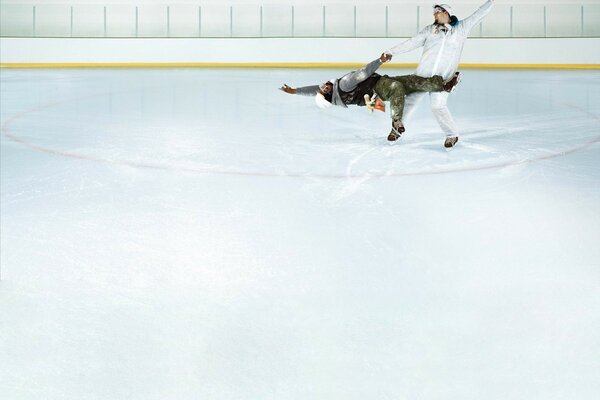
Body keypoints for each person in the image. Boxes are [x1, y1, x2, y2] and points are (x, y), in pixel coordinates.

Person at [384, 1, 495, 148]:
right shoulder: (429, 30)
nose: (434, 14)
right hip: (422, 76)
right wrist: (391, 51)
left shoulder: (461, 28)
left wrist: (492, 1)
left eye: (437, 11)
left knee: (438, 106)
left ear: (446, 13)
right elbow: (411, 42)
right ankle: (397, 129)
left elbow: (478, 14)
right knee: (409, 101)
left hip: (443, 79)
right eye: (434, 12)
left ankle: (452, 135)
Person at [280, 53, 461, 141]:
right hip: (377, 87)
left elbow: (315, 91)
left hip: (374, 98)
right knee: (397, 87)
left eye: (322, 87)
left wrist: (295, 91)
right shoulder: (342, 84)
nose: (324, 86)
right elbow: (364, 73)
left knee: (411, 82)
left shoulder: (335, 97)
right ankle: (397, 122)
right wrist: (380, 60)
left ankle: (443, 85)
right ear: (329, 95)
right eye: (325, 90)